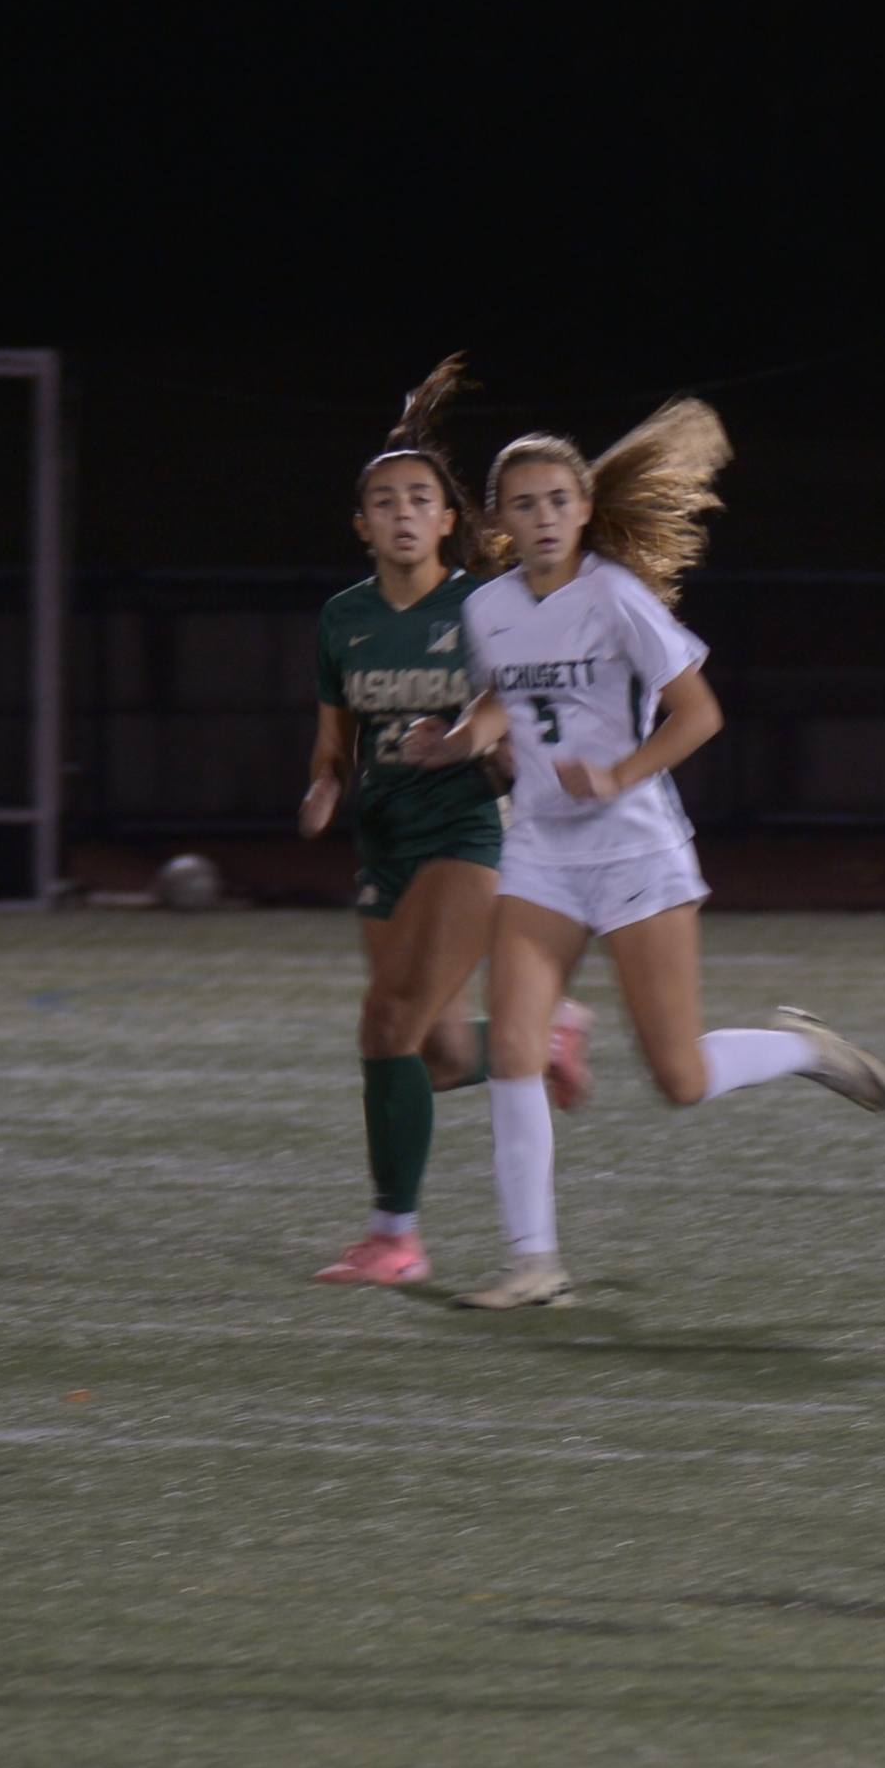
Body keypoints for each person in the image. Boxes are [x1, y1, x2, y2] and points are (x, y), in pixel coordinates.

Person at [455, 400, 885, 1311]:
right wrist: (459, 738)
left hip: (634, 851)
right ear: (499, 522)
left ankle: (802, 1049)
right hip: (540, 851)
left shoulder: (617, 596)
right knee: (513, 1047)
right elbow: (505, 699)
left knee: (679, 1079)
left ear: (584, 509)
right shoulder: (486, 609)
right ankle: (533, 1264)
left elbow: (701, 714)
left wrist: (617, 775)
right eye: (524, 505)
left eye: (557, 500)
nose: (543, 517)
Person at [295, 364, 589, 1288]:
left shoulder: (481, 608)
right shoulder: (342, 620)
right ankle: (545, 1035)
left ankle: (397, 1237)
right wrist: (323, 787)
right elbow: (334, 742)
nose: (404, 513)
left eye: (420, 499)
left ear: (448, 519)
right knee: (438, 1050)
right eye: (385, 502)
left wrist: (468, 740)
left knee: (385, 1021)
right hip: (382, 840)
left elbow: (513, 703)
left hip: (467, 833)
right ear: (362, 525)